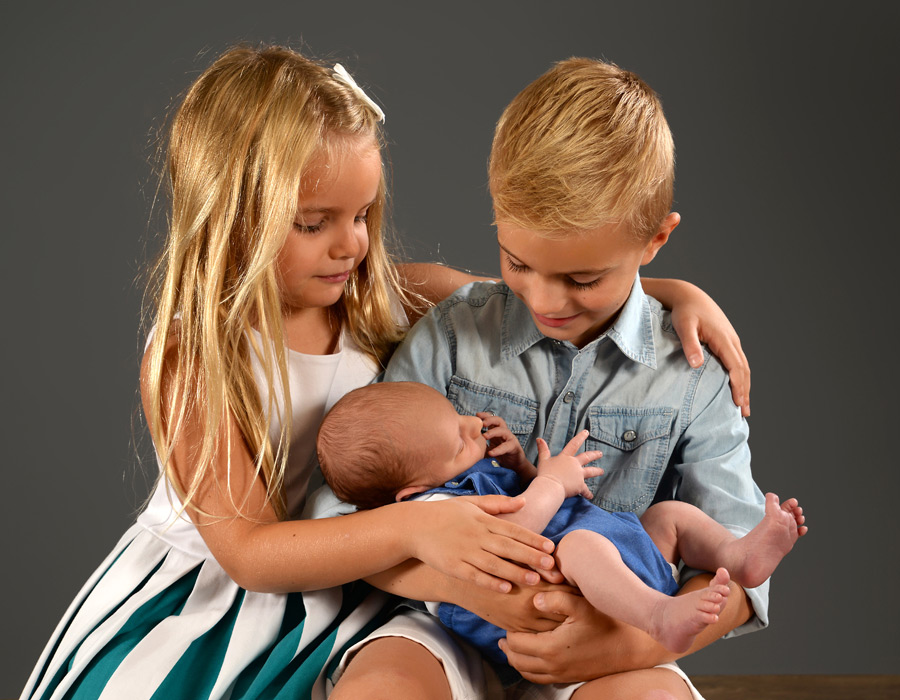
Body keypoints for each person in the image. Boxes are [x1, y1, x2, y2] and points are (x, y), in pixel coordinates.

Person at [22, 45, 752, 700]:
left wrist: (669, 294)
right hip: (232, 588)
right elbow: (248, 551)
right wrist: (418, 526)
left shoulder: (378, 291)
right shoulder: (194, 353)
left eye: (364, 214)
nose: (351, 245)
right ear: (233, 214)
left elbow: (539, 293)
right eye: (315, 223)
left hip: (347, 587)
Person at [330, 58, 773, 700]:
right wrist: (450, 583)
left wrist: (627, 643)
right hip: (446, 628)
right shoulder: (456, 334)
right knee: (384, 687)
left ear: (654, 239)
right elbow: (346, 519)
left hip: (609, 633)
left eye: (582, 279)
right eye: (518, 262)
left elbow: (738, 566)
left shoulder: (692, 372)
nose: (545, 300)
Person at [318, 381, 805, 666]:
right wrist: (550, 484)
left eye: (458, 415)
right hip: (556, 597)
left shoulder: (462, 476)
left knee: (669, 516)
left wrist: (523, 470)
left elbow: (521, 499)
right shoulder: (433, 512)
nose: (473, 426)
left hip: (610, 559)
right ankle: (658, 616)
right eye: (457, 441)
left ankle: (737, 555)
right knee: (579, 546)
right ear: (412, 491)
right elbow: (515, 536)